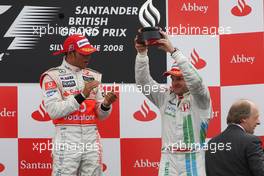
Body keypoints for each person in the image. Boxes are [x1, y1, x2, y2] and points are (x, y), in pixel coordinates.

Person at [135, 30, 212, 176]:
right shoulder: (166, 97)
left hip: (193, 159)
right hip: (168, 160)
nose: (175, 83)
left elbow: (196, 81)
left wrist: (173, 51)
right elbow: (143, 83)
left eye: (179, 79)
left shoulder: (201, 99)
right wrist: (141, 54)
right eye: (173, 79)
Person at [40, 34, 117, 176]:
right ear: (70, 53)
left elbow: (101, 115)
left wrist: (106, 104)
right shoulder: (52, 76)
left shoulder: (93, 75)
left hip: (91, 138)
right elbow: (53, 111)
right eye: (83, 54)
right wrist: (82, 96)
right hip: (67, 138)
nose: (88, 58)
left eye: (90, 54)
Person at [205, 99, 264, 176]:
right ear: (244, 118)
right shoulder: (251, 141)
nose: (258, 122)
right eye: (255, 117)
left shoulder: (212, 143)